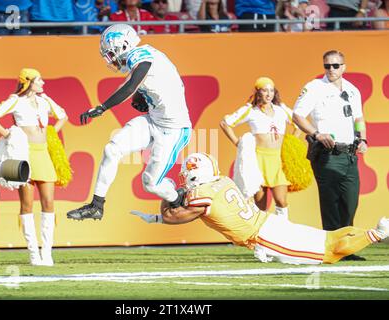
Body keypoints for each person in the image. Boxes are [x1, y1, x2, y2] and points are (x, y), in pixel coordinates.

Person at [131, 153, 389, 264]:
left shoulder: (200, 196)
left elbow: (172, 217)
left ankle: (376, 234)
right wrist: (162, 210)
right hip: (268, 223)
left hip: (265, 237)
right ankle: (375, 231)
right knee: (327, 238)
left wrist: (164, 193)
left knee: (329, 253)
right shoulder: (223, 180)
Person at [67, 24, 192, 221]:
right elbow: (133, 85)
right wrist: (142, 97)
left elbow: (131, 86)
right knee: (112, 149)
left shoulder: (141, 55)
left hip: (173, 129)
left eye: (110, 53)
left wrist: (102, 107)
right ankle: (96, 205)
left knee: (150, 184)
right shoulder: (143, 57)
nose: (110, 58)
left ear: (122, 45)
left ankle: (178, 199)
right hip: (153, 120)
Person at [0, 68, 68, 266]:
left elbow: (63, 115)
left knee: (48, 202)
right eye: (39, 80)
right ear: (28, 81)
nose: (43, 83)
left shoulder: (45, 100)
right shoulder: (16, 100)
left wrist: (52, 132)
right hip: (24, 154)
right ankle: (33, 254)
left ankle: (47, 253)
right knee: (27, 204)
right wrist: (6, 133)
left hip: (43, 153)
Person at [292, 50, 368, 261]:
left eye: (336, 65)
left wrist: (363, 139)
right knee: (331, 202)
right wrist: (316, 134)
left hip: (350, 153)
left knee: (350, 202)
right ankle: (334, 251)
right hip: (327, 154)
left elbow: (359, 118)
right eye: (327, 66)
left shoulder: (352, 90)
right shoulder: (315, 87)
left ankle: (346, 247)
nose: (331, 69)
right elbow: (297, 115)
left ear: (344, 66)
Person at [220, 77, 294, 219]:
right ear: (258, 92)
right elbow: (225, 123)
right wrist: (237, 143)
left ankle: (283, 233)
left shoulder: (281, 110)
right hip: (258, 160)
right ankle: (261, 236)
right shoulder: (251, 111)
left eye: (271, 90)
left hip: (278, 160)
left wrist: (291, 142)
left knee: (282, 201)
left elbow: (297, 123)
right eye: (265, 90)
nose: (268, 94)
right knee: (261, 204)